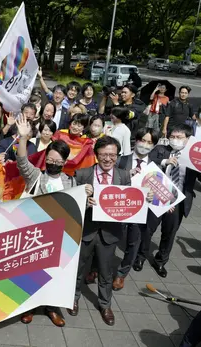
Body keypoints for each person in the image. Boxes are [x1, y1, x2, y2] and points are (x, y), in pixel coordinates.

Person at [15, 116, 93, 327]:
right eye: (50, 159)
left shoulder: (72, 181)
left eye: (59, 161)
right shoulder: (36, 177)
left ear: (65, 162)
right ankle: (29, 307)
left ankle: (51, 308)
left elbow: (79, 208)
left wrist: (88, 197)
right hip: (35, 236)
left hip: (60, 238)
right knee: (32, 274)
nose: (54, 164)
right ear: (45, 158)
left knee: (55, 275)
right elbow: (22, 161)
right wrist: (23, 138)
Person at [69, 136, 131, 326]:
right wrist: (83, 201)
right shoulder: (82, 174)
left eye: (112, 155)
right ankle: (73, 298)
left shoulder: (124, 176)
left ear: (117, 156)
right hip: (86, 230)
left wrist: (145, 198)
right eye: (103, 154)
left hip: (109, 233)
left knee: (106, 272)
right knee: (78, 269)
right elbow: (70, 204)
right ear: (96, 155)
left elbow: (129, 203)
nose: (108, 159)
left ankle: (105, 305)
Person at [134, 124, 198, 277]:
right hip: (158, 195)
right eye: (172, 137)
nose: (175, 140)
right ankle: (140, 257)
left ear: (188, 139)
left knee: (169, 233)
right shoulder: (161, 150)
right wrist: (165, 162)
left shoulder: (192, 156)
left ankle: (161, 261)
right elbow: (148, 161)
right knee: (148, 229)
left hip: (179, 201)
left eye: (179, 137)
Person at [110, 128, 160, 290]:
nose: (145, 145)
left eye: (149, 142)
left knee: (133, 243)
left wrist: (155, 198)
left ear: (154, 146)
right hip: (120, 206)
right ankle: (97, 268)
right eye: (142, 140)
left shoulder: (155, 166)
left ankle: (121, 274)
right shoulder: (121, 161)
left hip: (141, 210)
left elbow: (160, 190)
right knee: (109, 239)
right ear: (136, 140)